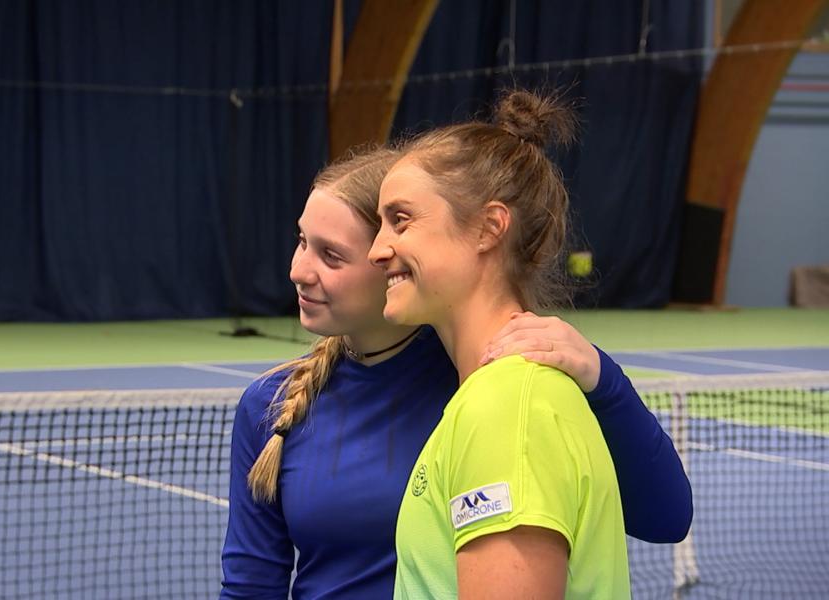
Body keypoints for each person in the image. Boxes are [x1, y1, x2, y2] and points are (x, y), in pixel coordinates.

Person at [221, 144, 689, 599]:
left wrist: (602, 378)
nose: (299, 271)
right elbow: (250, 587)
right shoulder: (272, 405)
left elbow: (665, 516)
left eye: (331, 255)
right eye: (302, 241)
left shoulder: (490, 381)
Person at [369, 89, 631, 598]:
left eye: (400, 220)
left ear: (489, 227)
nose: (378, 250)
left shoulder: (508, 410)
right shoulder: (490, 397)